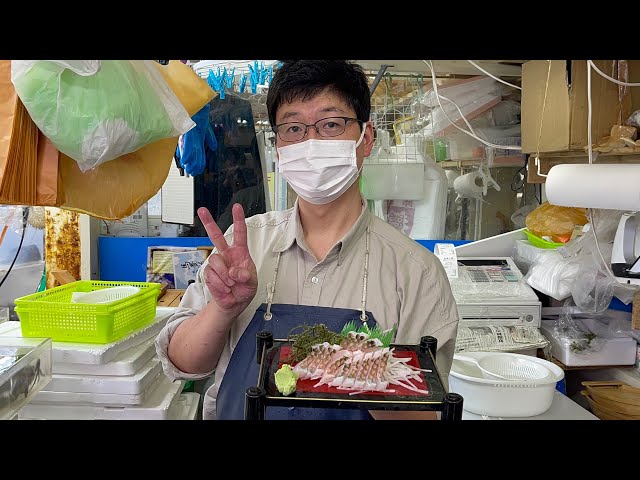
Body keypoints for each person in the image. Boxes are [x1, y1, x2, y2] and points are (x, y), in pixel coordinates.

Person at [155, 60, 460, 420]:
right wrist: (222, 310)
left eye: (331, 124)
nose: (311, 142)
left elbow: (429, 414)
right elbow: (181, 364)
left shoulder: (415, 273)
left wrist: (364, 371)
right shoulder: (244, 243)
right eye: (294, 128)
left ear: (367, 139)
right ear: (279, 145)